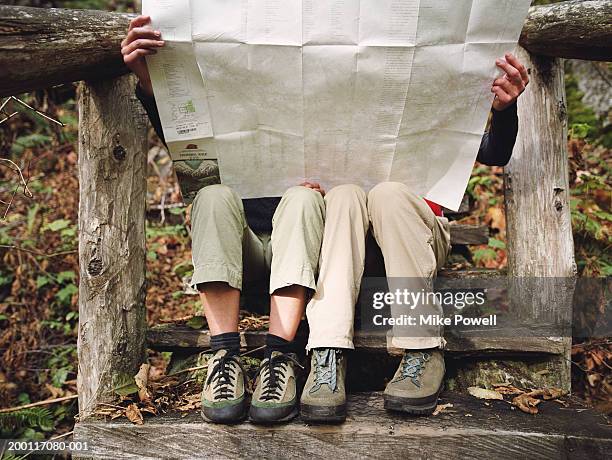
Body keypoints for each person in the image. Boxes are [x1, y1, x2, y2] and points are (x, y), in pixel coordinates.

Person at [299, 54, 530, 422]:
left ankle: (422, 348)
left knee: (388, 193)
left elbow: (494, 151)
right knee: (342, 194)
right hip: (349, 238)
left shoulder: (428, 82)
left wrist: (503, 110)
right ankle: (327, 352)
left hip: (414, 233)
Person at [121, 15, 326, 424]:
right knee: (211, 195)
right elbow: (188, 142)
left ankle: (279, 359)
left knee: (303, 199)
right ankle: (224, 356)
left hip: (307, 250)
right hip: (241, 256)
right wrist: (150, 80)